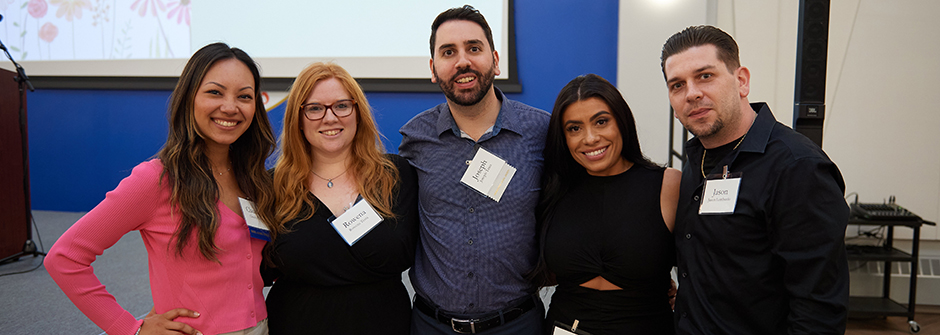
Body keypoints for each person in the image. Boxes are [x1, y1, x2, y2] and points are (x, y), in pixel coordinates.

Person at [44, 42, 277, 335]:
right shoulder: (157, 179)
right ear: (189, 97)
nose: (230, 107)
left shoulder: (253, 178)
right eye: (215, 92)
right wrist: (131, 328)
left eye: (244, 96)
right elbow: (64, 257)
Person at [660, 25, 849, 334]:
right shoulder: (698, 159)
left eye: (705, 76)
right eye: (677, 85)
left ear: (741, 81)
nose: (692, 93)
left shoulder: (796, 167)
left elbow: (818, 309)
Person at [399, 5, 551, 335]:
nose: (462, 61)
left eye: (474, 48)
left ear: (495, 60)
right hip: (431, 326)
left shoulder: (542, 132)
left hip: (517, 324)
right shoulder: (415, 138)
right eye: (448, 52)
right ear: (433, 68)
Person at [260, 62, 418, 335]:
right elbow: (249, 271)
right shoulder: (271, 188)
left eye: (342, 106)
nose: (330, 118)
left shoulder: (396, 175)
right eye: (315, 108)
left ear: (358, 112)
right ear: (297, 119)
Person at [533, 74, 680, 335]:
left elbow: (706, 266)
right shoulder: (553, 190)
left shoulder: (668, 186)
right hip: (563, 325)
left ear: (621, 122)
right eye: (574, 128)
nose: (590, 138)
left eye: (601, 122)